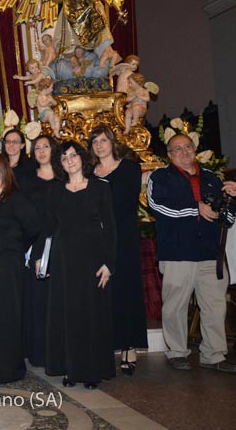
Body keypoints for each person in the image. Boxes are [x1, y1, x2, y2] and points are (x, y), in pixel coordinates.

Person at [147, 133, 236, 373]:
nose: (184, 152)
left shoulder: (211, 178)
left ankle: (214, 354)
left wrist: (232, 200)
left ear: (194, 149)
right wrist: (194, 208)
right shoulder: (160, 176)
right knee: (175, 306)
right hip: (178, 252)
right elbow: (156, 206)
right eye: (178, 148)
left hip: (209, 252)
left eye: (188, 147)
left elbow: (226, 218)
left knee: (215, 306)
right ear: (169, 154)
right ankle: (177, 352)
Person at [34, 141, 116, 389]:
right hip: (63, 260)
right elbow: (47, 226)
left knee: (90, 315)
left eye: (73, 155)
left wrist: (109, 264)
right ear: (59, 163)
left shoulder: (100, 189)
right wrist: (40, 257)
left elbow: (111, 228)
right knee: (67, 315)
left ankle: (91, 372)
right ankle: (70, 369)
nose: (69, 160)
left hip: (92, 259)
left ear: (82, 157)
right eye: (64, 157)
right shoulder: (55, 191)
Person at [89, 125, 147, 375]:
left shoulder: (130, 169)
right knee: (103, 292)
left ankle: (128, 346)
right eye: (95, 142)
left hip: (123, 237)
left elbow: (122, 203)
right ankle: (106, 344)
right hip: (97, 239)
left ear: (112, 142)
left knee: (126, 290)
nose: (100, 145)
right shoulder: (89, 173)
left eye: (103, 140)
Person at [0, 154, 40, 384]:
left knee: (6, 317)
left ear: (3, 170)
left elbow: (33, 227)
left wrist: (15, 249)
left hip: (8, 268)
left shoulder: (16, 198)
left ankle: (7, 369)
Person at [18, 134, 59, 367]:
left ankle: (57, 351)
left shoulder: (64, 177)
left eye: (46, 147)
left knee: (57, 300)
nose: (42, 151)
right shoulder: (27, 180)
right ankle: (38, 352)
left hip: (61, 243)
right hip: (35, 245)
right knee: (36, 299)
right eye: (38, 147)